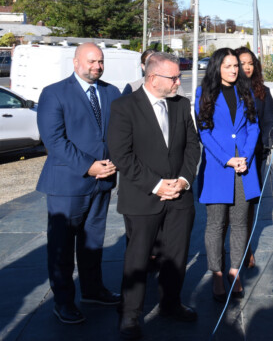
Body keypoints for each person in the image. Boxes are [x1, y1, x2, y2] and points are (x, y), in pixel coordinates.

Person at [107, 52, 200, 340]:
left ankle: (170, 305)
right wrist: (158, 185)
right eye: (173, 77)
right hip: (143, 197)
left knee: (176, 255)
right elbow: (122, 155)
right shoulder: (124, 107)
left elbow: (192, 147)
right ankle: (131, 316)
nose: (177, 82)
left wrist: (183, 180)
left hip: (180, 197)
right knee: (138, 258)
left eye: (178, 76)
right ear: (152, 78)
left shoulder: (182, 105)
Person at [36, 42, 122, 324]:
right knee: (62, 247)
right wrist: (90, 165)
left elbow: (119, 134)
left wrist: (113, 163)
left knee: (93, 243)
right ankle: (63, 301)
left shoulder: (111, 92)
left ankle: (93, 290)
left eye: (100, 61)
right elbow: (55, 141)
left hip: (102, 182)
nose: (96, 66)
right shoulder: (54, 93)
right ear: (75, 63)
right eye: (91, 61)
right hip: (67, 185)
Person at [195, 48, 261, 302]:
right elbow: (204, 133)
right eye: (228, 66)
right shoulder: (204, 93)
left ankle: (235, 271)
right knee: (215, 223)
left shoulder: (245, 92)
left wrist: (245, 156)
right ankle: (217, 273)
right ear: (216, 68)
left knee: (240, 222)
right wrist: (227, 159)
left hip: (245, 165)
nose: (234, 70)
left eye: (236, 65)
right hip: (218, 166)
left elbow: (253, 126)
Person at [235, 47, 273, 269]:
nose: (247, 67)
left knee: (249, 203)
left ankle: (246, 248)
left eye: (250, 62)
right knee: (230, 206)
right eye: (242, 63)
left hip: (255, 155)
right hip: (231, 157)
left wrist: (270, 140)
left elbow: (270, 120)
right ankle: (231, 248)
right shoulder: (228, 89)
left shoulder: (262, 91)